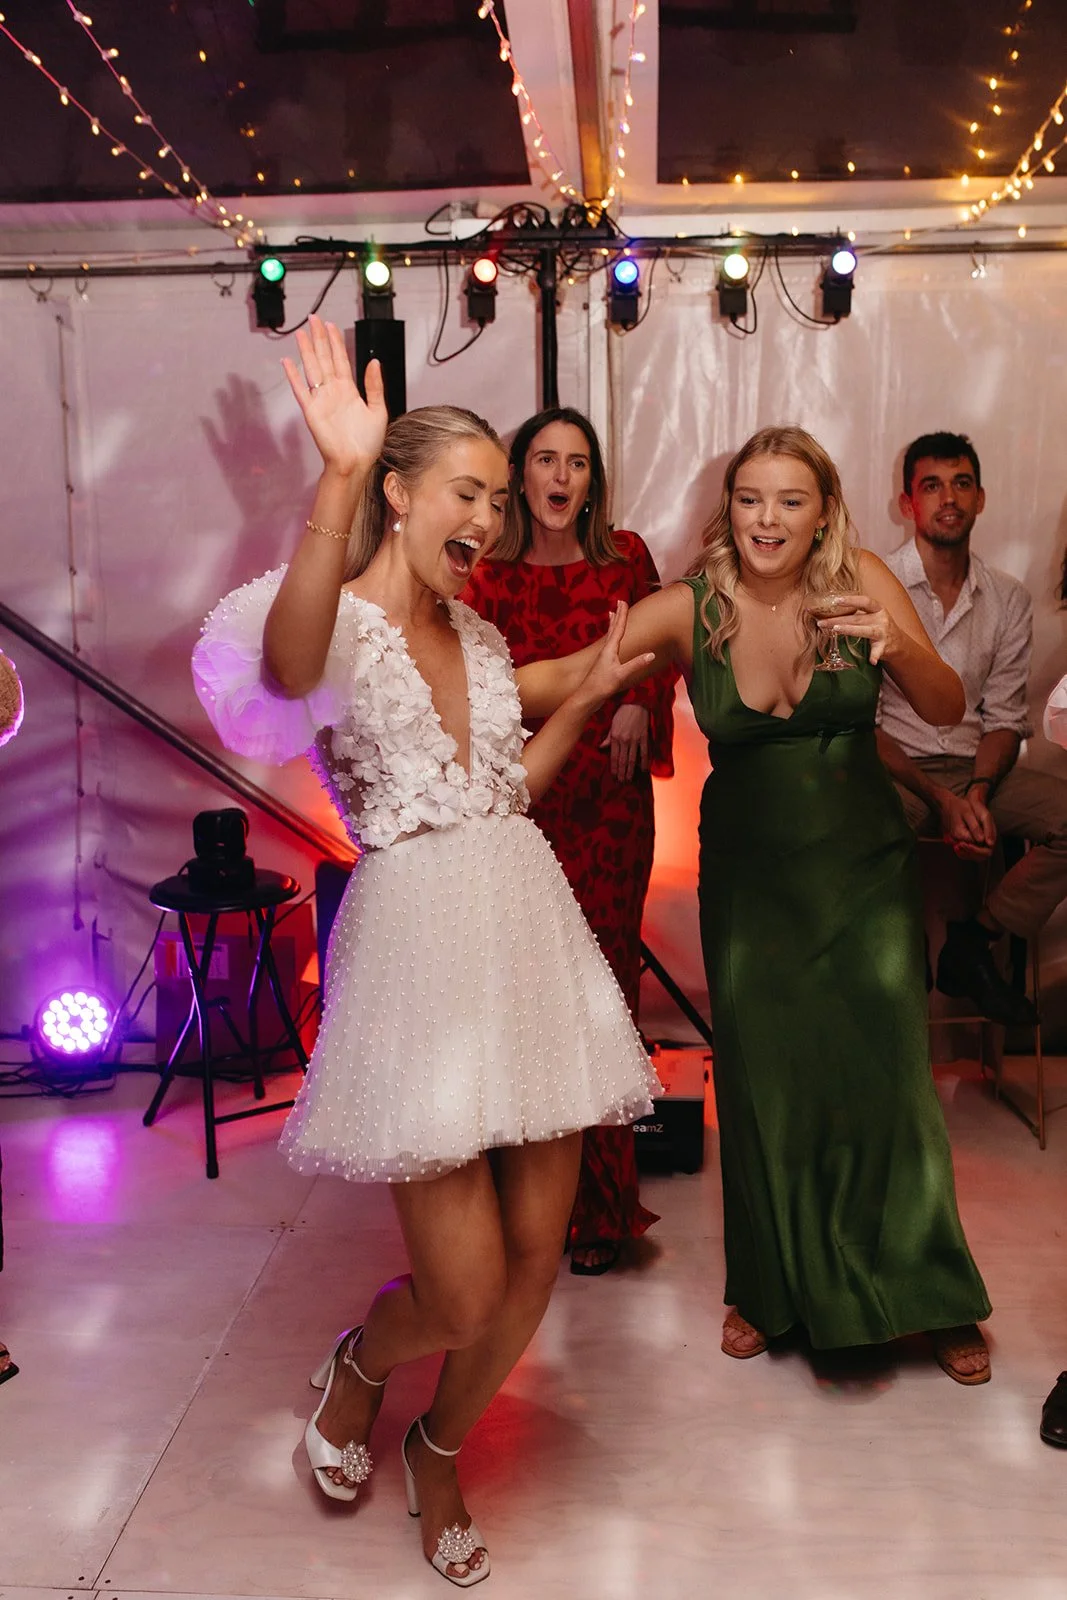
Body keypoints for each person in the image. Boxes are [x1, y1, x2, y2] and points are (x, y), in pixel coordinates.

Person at [192, 316, 660, 1587]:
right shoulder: (336, 624)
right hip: (419, 963)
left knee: (533, 1261)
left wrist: (594, 687)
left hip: (527, 943)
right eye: (470, 492)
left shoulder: (486, 641)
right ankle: (360, 1363)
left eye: (501, 500)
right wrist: (336, 473)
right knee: (457, 1291)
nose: (492, 520)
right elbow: (284, 663)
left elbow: (502, 791)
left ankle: (439, 1448)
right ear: (399, 495)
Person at [518, 425, 993, 1381]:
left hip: (863, 873)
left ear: (823, 511)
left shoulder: (859, 577)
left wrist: (894, 641)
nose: (766, 519)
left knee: (885, 1082)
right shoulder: (687, 607)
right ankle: (768, 1289)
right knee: (764, 1081)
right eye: (748, 499)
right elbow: (564, 677)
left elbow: (946, 706)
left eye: (788, 500)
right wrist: (423, 672)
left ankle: (928, 1293)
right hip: (751, 882)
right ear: (727, 508)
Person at [465, 406, 674, 1275]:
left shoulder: (625, 558)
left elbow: (665, 647)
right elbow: (471, 686)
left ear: (593, 479)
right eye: (545, 460)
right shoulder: (486, 574)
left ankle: (598, 1209)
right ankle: (514, 1205)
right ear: (519, 475)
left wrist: (638, 701)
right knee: (519, 998)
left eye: (576, 462)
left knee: (602, 995)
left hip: (609, 808)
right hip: (523, 803)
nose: (560, 476)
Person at [876, 431, 1067, 1027]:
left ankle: (975, 941)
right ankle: (898, 960)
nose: (949, 498)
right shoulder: (874, 586)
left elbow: (1005, 718)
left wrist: (978, 793)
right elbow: (860, 726)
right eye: (932, 485)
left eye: (961, 483)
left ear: (980, 498)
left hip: (975, 766)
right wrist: (941, 799)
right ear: (907, 503)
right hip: (896, 771)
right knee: (855, 824)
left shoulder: (1007, 598)